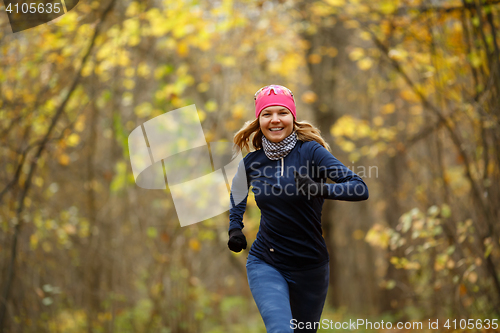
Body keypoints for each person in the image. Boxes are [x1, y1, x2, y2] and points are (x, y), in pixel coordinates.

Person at [227, 85, 369, 333]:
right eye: (267, 114)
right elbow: (238, 192)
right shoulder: (252, 162)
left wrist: (318, 188)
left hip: (310, 266)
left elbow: (359, 188)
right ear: (259, 120)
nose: (275, 120)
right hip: (266, 261)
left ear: (292, 117)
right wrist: (235, 228)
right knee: (280, 329)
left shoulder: (312, 153)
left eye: (282, 112)